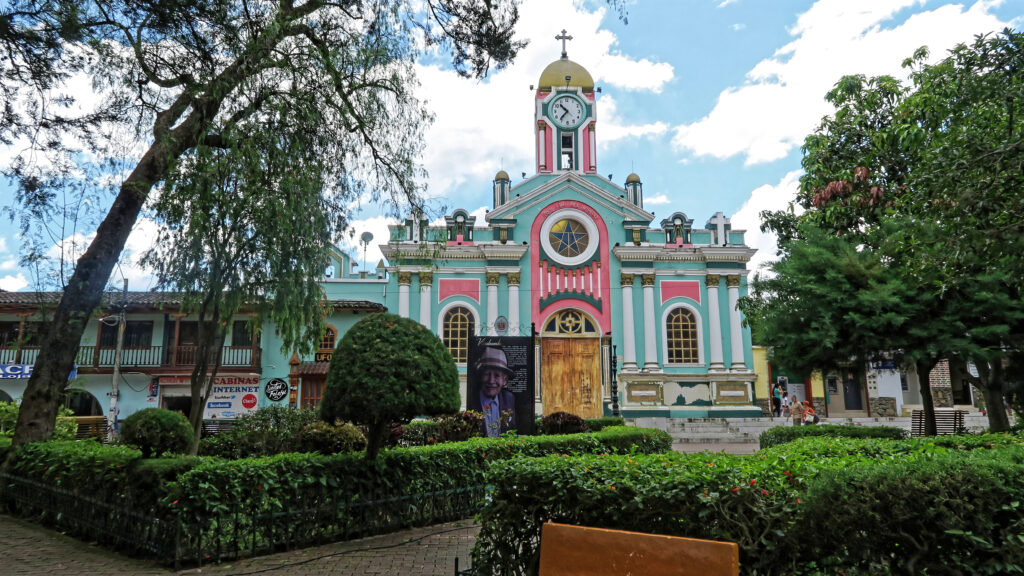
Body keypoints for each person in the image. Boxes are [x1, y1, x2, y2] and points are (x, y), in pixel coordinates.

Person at [472, 346, 517, 437]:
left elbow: (512, 430)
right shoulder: (472, 399)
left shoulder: (509, 399)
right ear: (480, 376)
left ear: (504, 380)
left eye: (497, 375)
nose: (491, 381)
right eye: (487, 374)